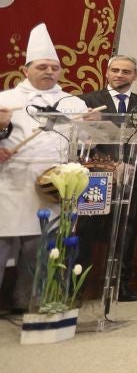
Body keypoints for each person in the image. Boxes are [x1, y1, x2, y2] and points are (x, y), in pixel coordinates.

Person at [0, 25, 90, 312]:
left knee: (39, 249)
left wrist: (90, 127)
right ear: (26, 69)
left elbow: (84, 143)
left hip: (50, 185)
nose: (49, 72)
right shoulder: (5, 100)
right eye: (42, 67)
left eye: (54, 67)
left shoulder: (73, 103)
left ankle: (30, 302)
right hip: (9, 181)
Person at [79, 54, 137, 301]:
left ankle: (119, 285)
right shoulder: (88, 100)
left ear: (135, 76)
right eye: (115, 70)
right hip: (97, 177)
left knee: (127, 229)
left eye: (126, 71)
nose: (119, 75)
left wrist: (131, 164)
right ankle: (78, 285)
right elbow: (82, 137)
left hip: (132, 177)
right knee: (88, 229)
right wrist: (112, 164)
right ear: (107, 72)